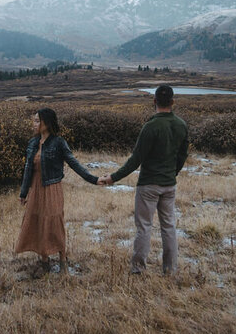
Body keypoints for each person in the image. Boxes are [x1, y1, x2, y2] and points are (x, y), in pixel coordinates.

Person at [98, 85, 188, 275]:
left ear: (154, 101)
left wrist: (113, 177)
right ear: (173, 102)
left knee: (144, 227)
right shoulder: (181, 125)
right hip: (169, 184)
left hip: (148, 185)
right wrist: (173, 173)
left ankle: (138, 269)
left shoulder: (150, 127)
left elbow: (136, 159)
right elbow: (182, 155)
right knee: (169, 226)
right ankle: (170, 270)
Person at [15, 107, 98, 277]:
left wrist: (93, 179)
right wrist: (23, 193)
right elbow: (28, 170)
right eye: (34, 120)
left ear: (46, 123)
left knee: (54, 223)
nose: (34, 124)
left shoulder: (59, 143)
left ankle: (62, 261)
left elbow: (74, 164)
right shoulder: (32, 143)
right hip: (36, 189)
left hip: (52, 188)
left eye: (37, 120)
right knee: (38, 223)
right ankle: (45, 263)